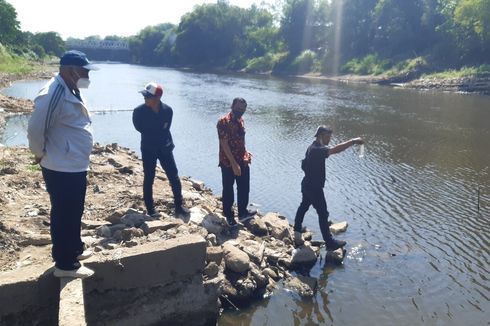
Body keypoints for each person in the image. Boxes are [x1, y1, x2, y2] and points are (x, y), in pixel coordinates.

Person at [27, 50, 98, 278]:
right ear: (70, 70)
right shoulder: (53, 93)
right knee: (63, 213)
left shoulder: (72, 88)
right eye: (84, 71)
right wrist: (38, 154)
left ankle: (75, 248)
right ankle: (65, 264)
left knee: (74, 210)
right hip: (60, 166)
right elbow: (36, 129)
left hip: (74, 164)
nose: (87, 75)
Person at [294, 126, 364, 250]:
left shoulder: (312, 146)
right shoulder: (316, 150)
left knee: (304, 205)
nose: (329, 139)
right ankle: (329, 243)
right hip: (314, 188)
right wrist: (353, 141)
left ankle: (297, 230)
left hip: (306, 184)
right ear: (320, 136)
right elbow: (335, 150)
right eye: (328, 136)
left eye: (330, 136)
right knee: (323, 213)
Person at [132, 82, 190, 219]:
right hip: (148, 148)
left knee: (174, 177)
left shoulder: (168, 110)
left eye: (148, 96)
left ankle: (179, 206)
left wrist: (155, 132)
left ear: (157, 98)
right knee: (149, 177)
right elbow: (139, 128)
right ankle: (151, 209)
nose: (145, 98)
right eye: (144, 96)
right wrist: (155, 131)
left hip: (165, 147)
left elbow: (166, 128)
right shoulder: (139, 111)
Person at [217, 97, 256, 226]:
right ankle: (228, 215)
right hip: (228, 162)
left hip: (242, 159)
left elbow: (240, 140)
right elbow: (224, 144)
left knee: (244, 187)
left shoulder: (241, 120)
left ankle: (242, 212)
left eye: (243, 109)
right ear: (232, 106)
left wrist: (246, 151)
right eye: (238, 108)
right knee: (228, 189)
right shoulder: (223, 122)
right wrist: (234, 164)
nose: (240, 111)